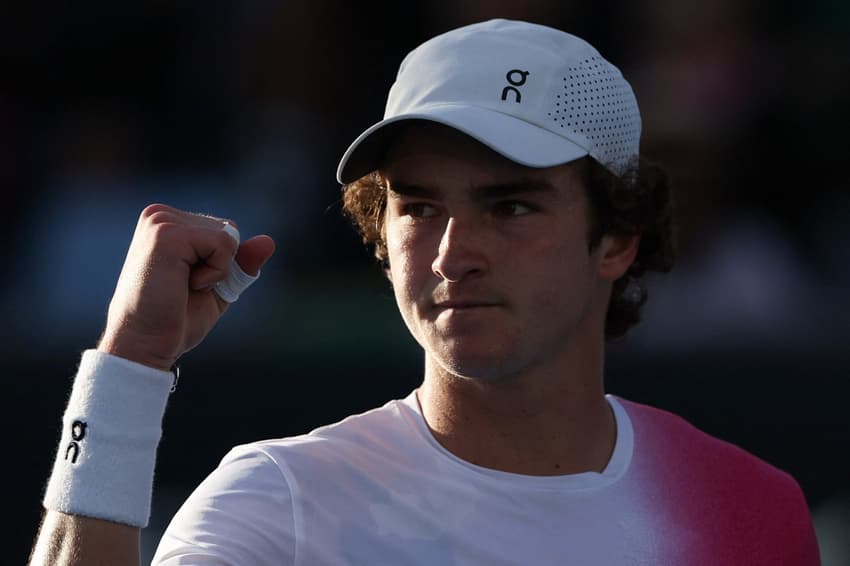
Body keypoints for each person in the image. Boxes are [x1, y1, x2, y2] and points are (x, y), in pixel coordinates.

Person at [29, 18, 820, 565]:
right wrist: (127, 368)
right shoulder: (279, 499)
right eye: (419, 206)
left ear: (617, 237)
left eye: (509, 205)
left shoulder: (748, 506)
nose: (453, 254)